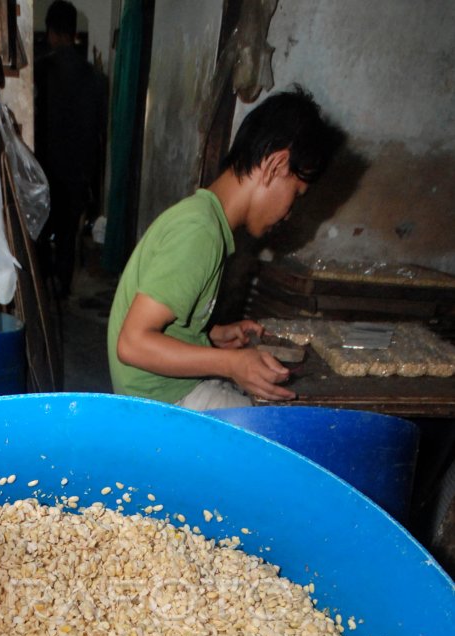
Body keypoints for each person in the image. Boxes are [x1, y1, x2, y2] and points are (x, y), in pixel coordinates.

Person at [107, 86, 342, 409]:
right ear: (275, 165)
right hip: (157, 402)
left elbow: (166, 321)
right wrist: (231, 364)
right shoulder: (200, 231)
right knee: (271, 434)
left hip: (159, 392)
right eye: (296, 194)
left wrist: (210, 336)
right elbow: (132, 344)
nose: (289, 213)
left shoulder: (205, 219)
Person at [34, 0, 105, 300]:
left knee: (38, 232)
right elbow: (97, 135)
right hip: (77, 172)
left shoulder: (38, 72)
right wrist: (93, 185)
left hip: (43, 170)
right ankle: (62, 292)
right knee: (66, 236)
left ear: (50, 31)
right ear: (74, 32)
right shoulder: (95, 79)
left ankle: (41, 291)